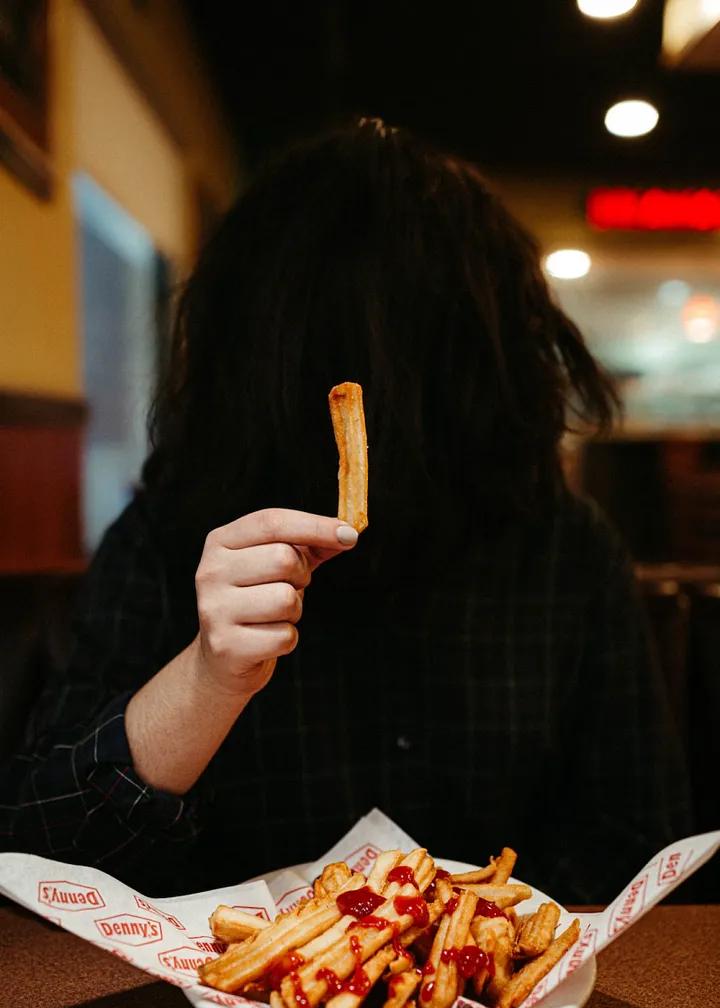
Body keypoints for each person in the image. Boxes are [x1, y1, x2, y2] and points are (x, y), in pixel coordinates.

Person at [0, 119, 691, 903]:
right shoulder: (171, 534)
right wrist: (206, 680)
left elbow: (636, 841)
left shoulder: (563, 548)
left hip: (505, 1006)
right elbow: (38, 864)